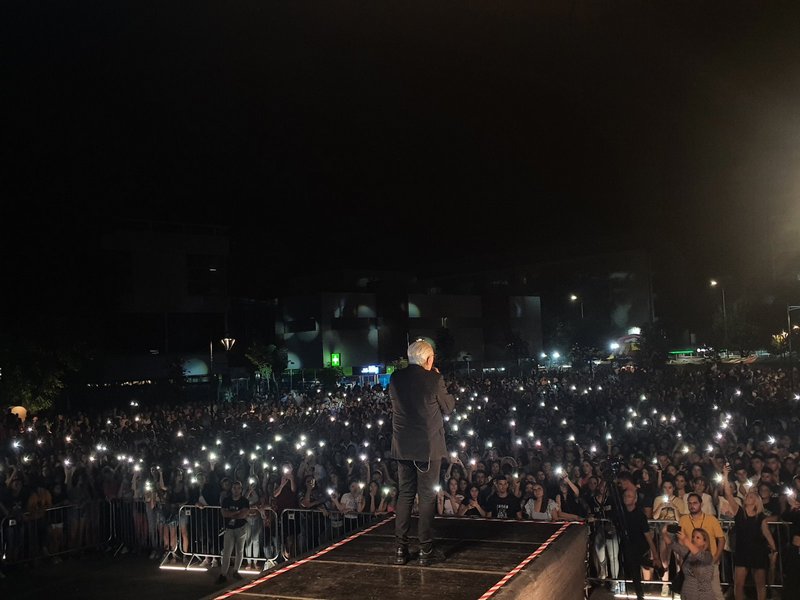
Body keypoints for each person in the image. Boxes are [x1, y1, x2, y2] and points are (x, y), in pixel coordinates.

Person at [388, 340, 455, 566]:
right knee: (426, 496)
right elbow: (449, 407)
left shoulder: (395, 378)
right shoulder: (434, 379)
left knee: (405, 494)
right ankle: (426, 550)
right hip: (427, 448)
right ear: (429, 359)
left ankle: (400, 549)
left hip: (402, 446)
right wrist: (437, 378)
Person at [721, 464, 777, 600]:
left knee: (760, 585)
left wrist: (774, 549)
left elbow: (766, 533)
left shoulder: (761, 518)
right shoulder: (739, 512)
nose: (748, 497)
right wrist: (725, 475)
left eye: (752, 496)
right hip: (742, 551)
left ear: (757, 502)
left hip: (758, 552)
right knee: (738, 584)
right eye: (747, 496)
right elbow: (728, 493)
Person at [613, 487, 659, 600]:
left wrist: (656, 555)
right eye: (625, 496)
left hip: (640, 544)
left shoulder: (640, 515)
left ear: (635, 499)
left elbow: (647, 536)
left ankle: (640, 594)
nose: (626, 498)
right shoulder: (621, 513)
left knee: (634, 562)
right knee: (634, 566)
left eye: (629, 496)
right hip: (628, 544)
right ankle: (640, 594)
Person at [679, 492, 725, 600]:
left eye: (695, 503)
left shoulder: (711, 519)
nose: (692, 505)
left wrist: (716, 558)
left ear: (701, 504)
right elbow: (681, 543)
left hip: (709, 562)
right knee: (690, 594)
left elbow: (721, 539)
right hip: (691, 563)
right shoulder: (683, 520)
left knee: (716, 593)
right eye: (689, 503)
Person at [662, 525, 715, 600]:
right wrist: (664, 533)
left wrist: (685, 540)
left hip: (702, 596)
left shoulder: (708, 556)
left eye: (698, 537)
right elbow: (672, 545)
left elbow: (699, 555)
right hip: (686, 594)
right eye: (693, 537)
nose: (694, 539)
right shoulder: (688, 553)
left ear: (704, 542)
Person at [216, 480, 251, 584]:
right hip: (229, 528)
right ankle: (223, 574)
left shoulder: (244, 501)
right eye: (234, 488)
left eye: (238, 488)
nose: (236, 490)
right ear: (232, 489)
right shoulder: (226, 500)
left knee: (239, 550)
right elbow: (224, 513)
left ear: (241, 490)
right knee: (227, 551)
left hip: (240, 528)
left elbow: (243, 515)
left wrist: (231, 513)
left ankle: (236, 570)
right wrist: (236, 512)